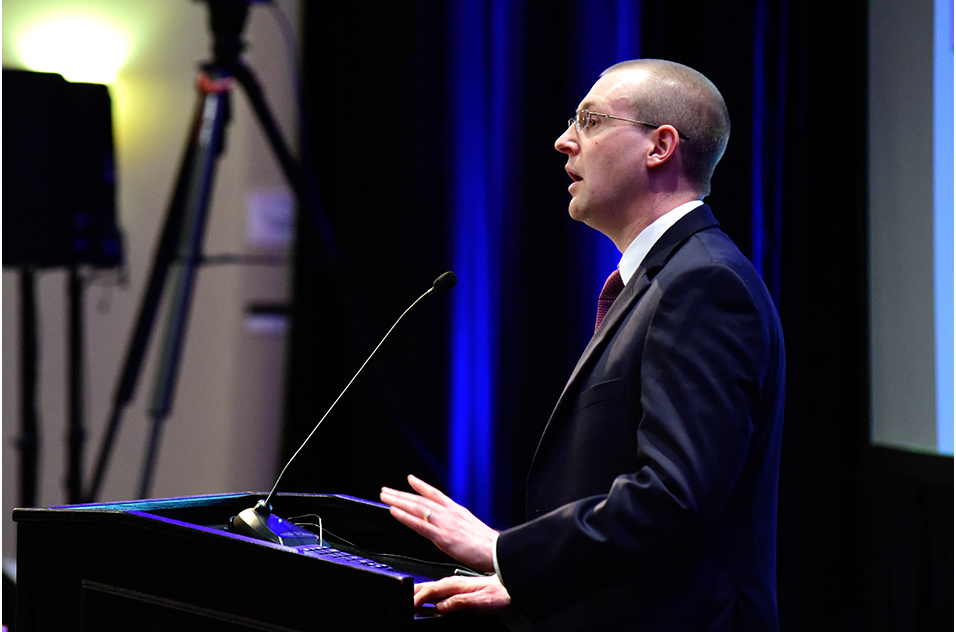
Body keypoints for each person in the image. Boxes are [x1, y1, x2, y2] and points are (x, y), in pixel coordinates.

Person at [380, 58, 785, 631]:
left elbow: (673, 499)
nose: (564, 141)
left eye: (590, 120)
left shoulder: (705, 284)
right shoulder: (663, 281)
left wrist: (504, 553)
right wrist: (526, 584)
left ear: (659, 146)